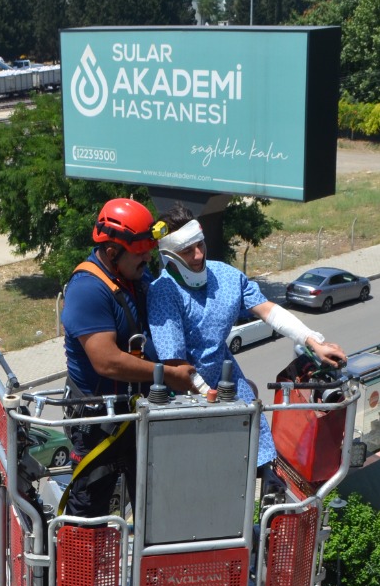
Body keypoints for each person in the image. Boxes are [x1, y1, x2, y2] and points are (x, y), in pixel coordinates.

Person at [147, 205, 346, 471]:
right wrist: (211, 396)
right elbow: (174, 365)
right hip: (187, 394)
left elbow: (268, 310)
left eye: (200, 245)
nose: (198, 255)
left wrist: (313, 341)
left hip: (228, 382)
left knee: (257, 455)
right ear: (169, 255)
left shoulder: (226, 276)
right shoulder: (163, 292)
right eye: (187, 251)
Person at [60, 197, 196, 517]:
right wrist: (168, 375)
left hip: (135, 414)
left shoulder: (134, 277)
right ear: (112, 252)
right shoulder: (88, 289)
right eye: (140, 253)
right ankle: (82, 551)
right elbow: (106, 360)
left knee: (153, 504)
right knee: (89, 510)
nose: (148, 258)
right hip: (99, 423)